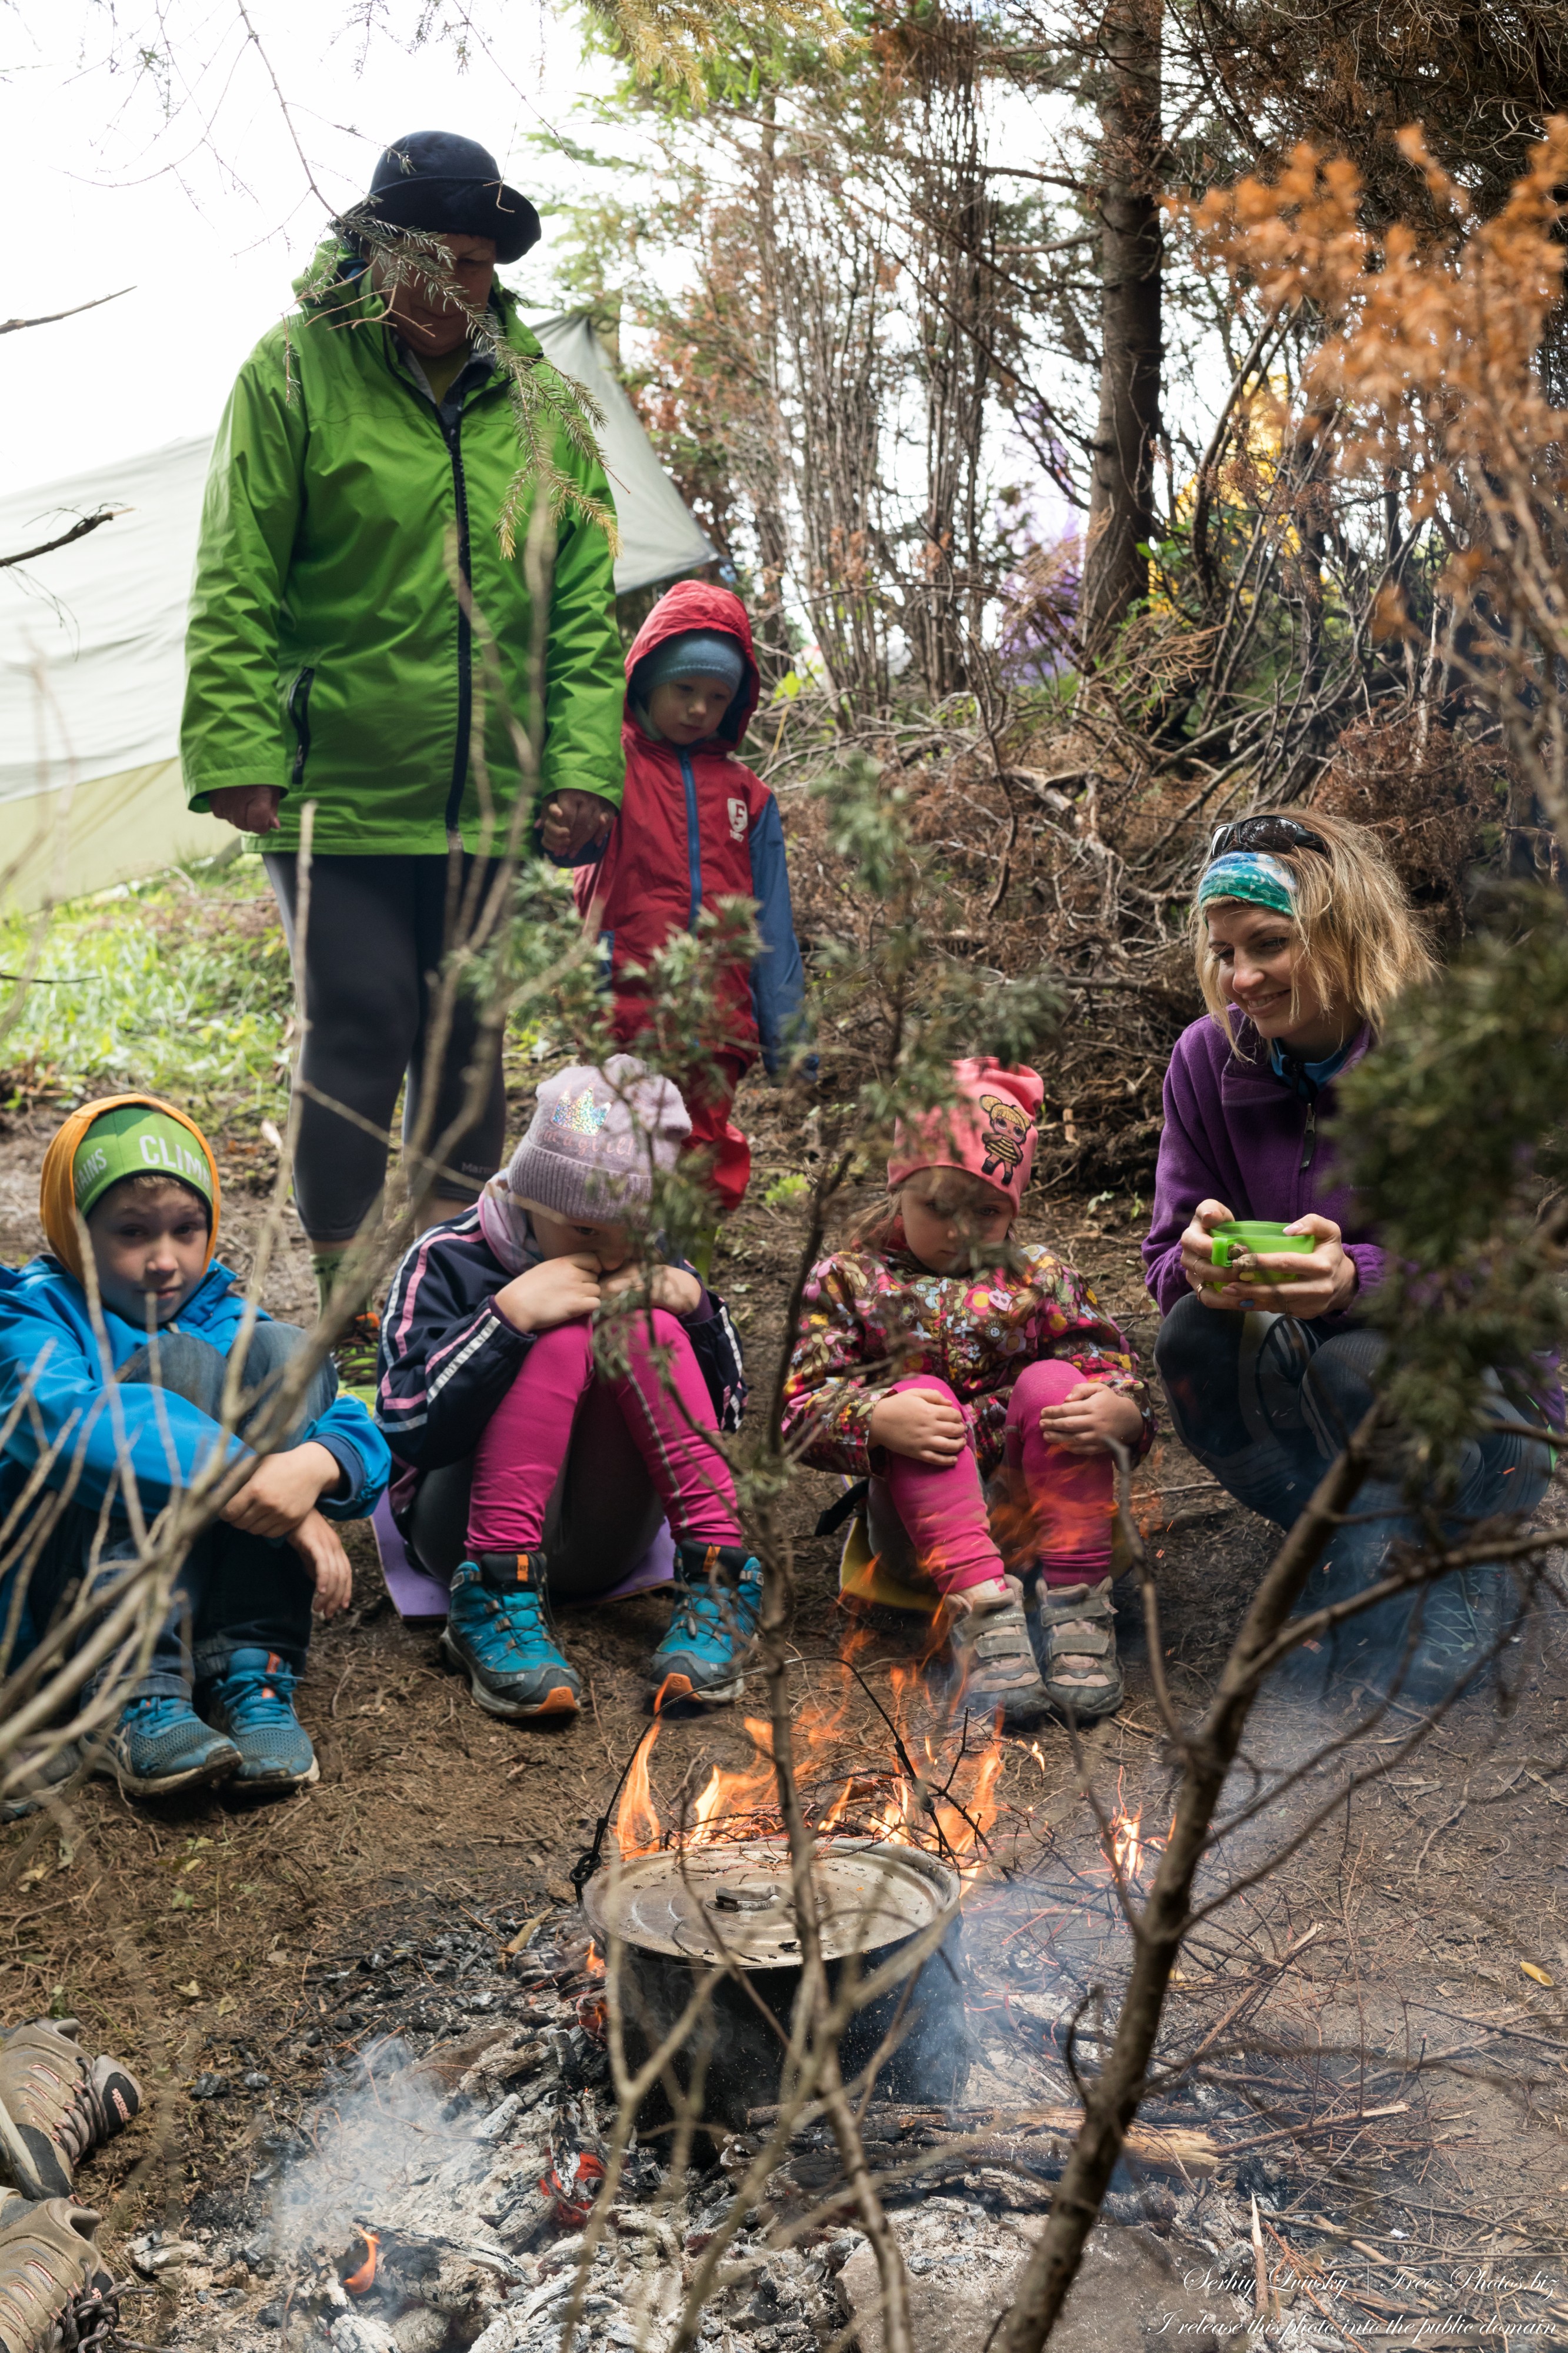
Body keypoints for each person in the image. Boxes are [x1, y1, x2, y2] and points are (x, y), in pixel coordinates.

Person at [181, 131, 626, 1375]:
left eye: (482, 267)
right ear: (378, 253)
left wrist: (582, 763)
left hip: (492, 788)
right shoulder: (292, 373)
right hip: (337, 778)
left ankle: (438, 1285)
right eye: (442, 263)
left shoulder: (539, 397)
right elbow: (236, 574)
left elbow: (581, 601)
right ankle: (336, 1291)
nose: (463, 292)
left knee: (469, 1032)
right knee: (364, 1012)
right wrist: (236, 740)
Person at [1143, 808, 1557, 1695]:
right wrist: (1197, 1265)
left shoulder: (1449, 1058)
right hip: (1313, 1375)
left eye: (1268, 944)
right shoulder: (1205, 1062)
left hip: (1476, 1397)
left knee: (1360, 1365)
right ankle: (1333, 1546)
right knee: (1189, 1340)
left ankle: (1457, 1554)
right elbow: (1159, 1255)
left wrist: (1351, 1278)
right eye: (1223, 951)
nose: (1241, 976)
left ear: (1344, 933)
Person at [0, 1095, 389, 1800]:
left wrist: (319, 1463)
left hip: (189, 1575)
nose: (165, 1261)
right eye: (131, 1232)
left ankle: (248, 1670)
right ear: (74, 1233)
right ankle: (129, 1690)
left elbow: (351, 1416)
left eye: (187, 1230)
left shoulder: (215, 1308)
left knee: (280, 1348)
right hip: (63, 1601)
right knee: (176, 1371)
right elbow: (68, 1419)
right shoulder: (36, 1315)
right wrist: (251, 1479)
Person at [376, 1055, 758, 1718]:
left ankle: (719, 1580)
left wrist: (692, 1307)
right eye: (584, 1230)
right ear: (530, 1193)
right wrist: (506, 1320)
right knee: (553, 1337)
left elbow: (727, 1414)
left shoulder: (653, 1259)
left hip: (610, 1540)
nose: (611, 1255)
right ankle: (494, 1600)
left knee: (646, 1328)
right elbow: (403, 1426)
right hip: (462, 1535)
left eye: (631, 1235)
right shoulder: (445, 1257)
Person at [780, 1061, 1151, 1725]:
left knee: (1054, 1383)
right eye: (937, 1207)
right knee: (918, 1396)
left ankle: (1077, 1612)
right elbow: (797, 1409)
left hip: (1045, 1525)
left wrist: (1121, 1410)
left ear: (1013, 1208)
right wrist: (872, 1420)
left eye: (986, 1211)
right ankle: (987, 1622)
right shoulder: (850, 1281)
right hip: (922, 1540)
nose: (960, 1231)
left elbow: (1106, 1364)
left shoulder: (1040, 1276)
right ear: (900, 1189)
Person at [574, 581, 808, 1212]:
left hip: (718, 1018)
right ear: (646, 679)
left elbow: (773, 924)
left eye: (717, 696)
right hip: (623, 1004)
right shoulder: (604, 766)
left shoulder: (748, 797)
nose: (700, 709)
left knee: (699, 1152)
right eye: (684, 690)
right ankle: (595, 1269)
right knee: (598, 1148)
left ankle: (684, 1281)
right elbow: (564, 853)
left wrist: (787, 1031)